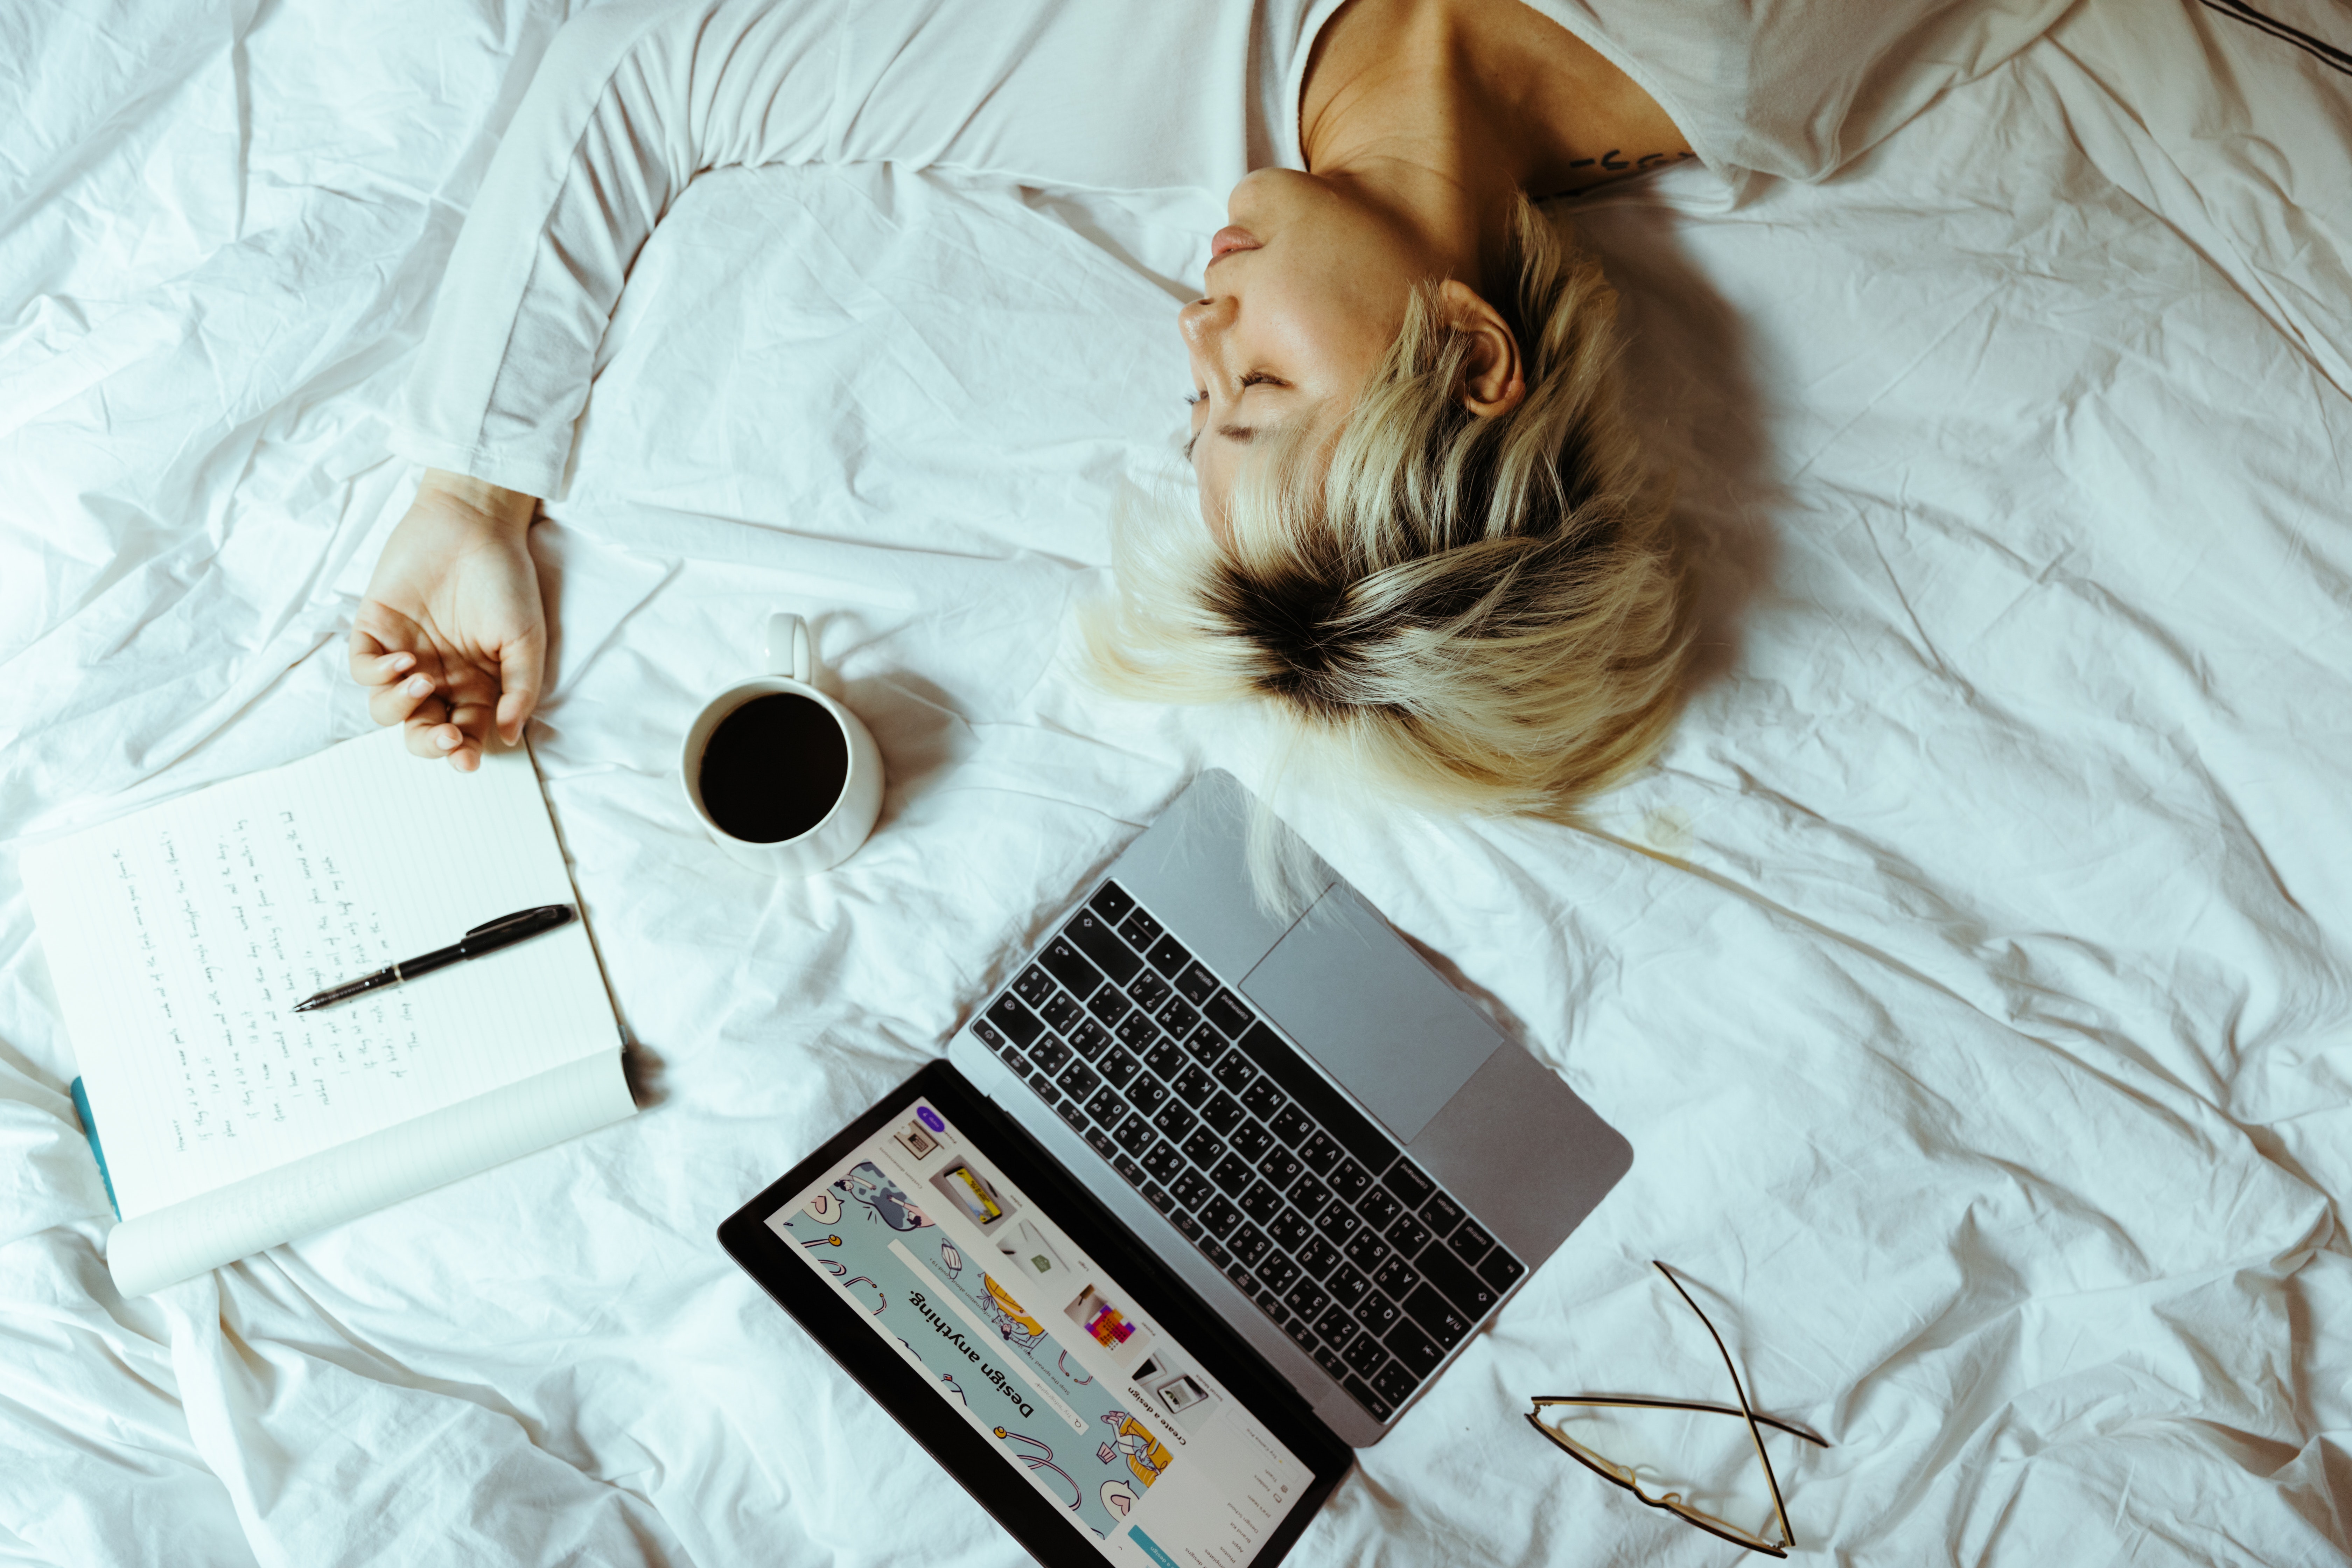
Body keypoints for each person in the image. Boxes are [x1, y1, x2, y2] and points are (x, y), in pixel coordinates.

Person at [352, 0, 2066, 812]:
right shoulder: (1751, 43)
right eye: (1257, 383)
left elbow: (648, 68)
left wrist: (470, 493)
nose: (1197, 317)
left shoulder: (1148, 74)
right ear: (1472, 359)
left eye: (1199, 398)